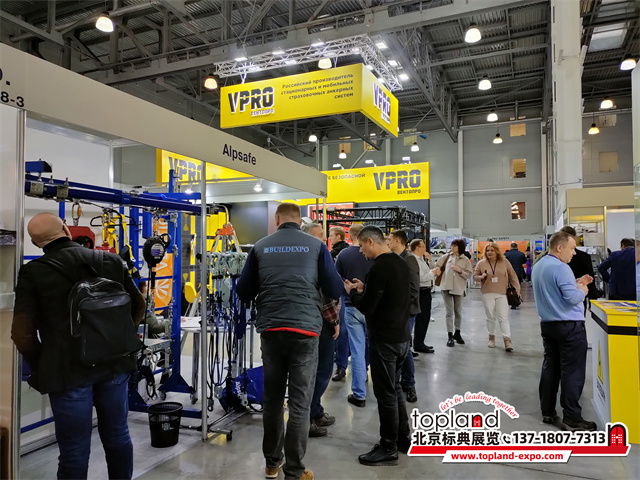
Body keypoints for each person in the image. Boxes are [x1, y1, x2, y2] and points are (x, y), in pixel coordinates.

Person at [12, 212, 146, 480]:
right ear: (66, 229)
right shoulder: (111, 261)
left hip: (68, 372)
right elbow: (139, 305)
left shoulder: (34, 272)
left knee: (74, 449)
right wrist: (117, 338)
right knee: (118, 435)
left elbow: (22, 333)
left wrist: (43, 363)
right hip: (115, 365)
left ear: (36, 243)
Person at [236, 203, 343, 480]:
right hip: (305, 331)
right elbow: (335, 288)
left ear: (277, 219)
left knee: (272, 400)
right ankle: (294, 471)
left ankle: (272, 463)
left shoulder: (260, 246)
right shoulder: (317, 246)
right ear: (299, 220)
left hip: (271, 331)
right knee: (300, 403)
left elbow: (243, 291)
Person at [344, 226, 411, 466]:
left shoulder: (379, 268)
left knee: (385, 394)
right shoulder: (400, 262)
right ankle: (403, 438)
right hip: (402, 337)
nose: (361, 252)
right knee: (395, 388)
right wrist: (366, 288)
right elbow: (390, 295)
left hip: (385, 340)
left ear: (371, 241)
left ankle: (388, 446)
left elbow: (367, 308)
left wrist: (352, 293)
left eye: (362, 246)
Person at [531, 231, 596, 432]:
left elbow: (556, 291)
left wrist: (576, 283)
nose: (574, 253)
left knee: (551, 367)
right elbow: (571, 299)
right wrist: (582, 291)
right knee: (573, 371)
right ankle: (572, 417)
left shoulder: (539, 265)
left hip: (548, 325)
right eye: (572, 248)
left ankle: (547, 410)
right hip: (569, 327)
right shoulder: (561, 267)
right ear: (559, 247)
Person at [300, 222, 340, 438]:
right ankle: (307, 418)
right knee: (321, 371)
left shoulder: (301, 258)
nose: (324, 239)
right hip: (320, 322)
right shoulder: (317, 258)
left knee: (312, 372)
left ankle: (315, 412)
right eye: (320, 235)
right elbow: (328, 293)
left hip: (300, 321)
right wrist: (334, 321)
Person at [335, 223, 372, 408]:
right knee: (372, 346)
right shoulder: (374, 254)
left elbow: (336, 279)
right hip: (372, 307)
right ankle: (365, 373)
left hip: (351, 305)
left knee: (356, 349)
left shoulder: (343, 255)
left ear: (350, 236)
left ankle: (359, 393)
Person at [388, 230, 419, 403]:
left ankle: (409, 384)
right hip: (397, 311)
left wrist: (402, 307)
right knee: (400, 348)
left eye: (390, 239)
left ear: (398, 241)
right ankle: (399, 382)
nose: (387, 241)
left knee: (405, 349)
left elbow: (413, 288)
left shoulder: (409, 259)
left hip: (407, 311)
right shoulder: (395, 258)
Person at [473, 242, 520, 352]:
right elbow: (475, 277)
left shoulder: (504, 262)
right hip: (487, 293)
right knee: (490, 316)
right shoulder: (481, 263)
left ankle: (507, 340)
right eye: (487, 250)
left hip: (502, 293)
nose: (489, 252)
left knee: (503, 317)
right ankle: (491, 337)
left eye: (492, 250)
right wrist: (481, 277)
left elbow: (512, 275)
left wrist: (517, 288)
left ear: (497, 251)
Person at [435, 239, 473, 347]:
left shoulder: (465, 260)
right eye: (451, 245)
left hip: (458, 288)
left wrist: (460, 270)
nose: (452, 248)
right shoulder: (446, 257)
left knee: (458, 312)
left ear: (460, 247)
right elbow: (436, 267)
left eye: (455, 246)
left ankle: (457, 332)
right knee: (449, 312)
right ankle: (450, 335)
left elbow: (469, 274)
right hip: (446, 287)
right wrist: (430, 262)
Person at [410, 239, 439, 354]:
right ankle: (417, 344)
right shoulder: (414, 261)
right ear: (417, 248)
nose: (425, 248)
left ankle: (419, 342)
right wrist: (433, 273)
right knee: (421, 318)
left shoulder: (421, 259)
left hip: (426, 291)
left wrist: (431, 262)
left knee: (424, 318)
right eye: (423, 246)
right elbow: (421, 278)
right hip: (421, 292)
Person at [330, 226, 350, 381]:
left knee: (341, 332)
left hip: (341, 297)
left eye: (331, 235)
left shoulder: (337, 254)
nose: (329, 238)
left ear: (338, 236)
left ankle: (341, 366)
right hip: (351, 297)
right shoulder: (347, 252)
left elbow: (333, 276)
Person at [504, 243, 526, 309]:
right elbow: (524, 261)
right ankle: (516, 299)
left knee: (509, 288)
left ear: (510, 247)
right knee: (517, 287)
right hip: (518, 272)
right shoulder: (521, 254)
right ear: (517, 246)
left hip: (508, 273)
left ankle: (512, 301)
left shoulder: (506, 254)